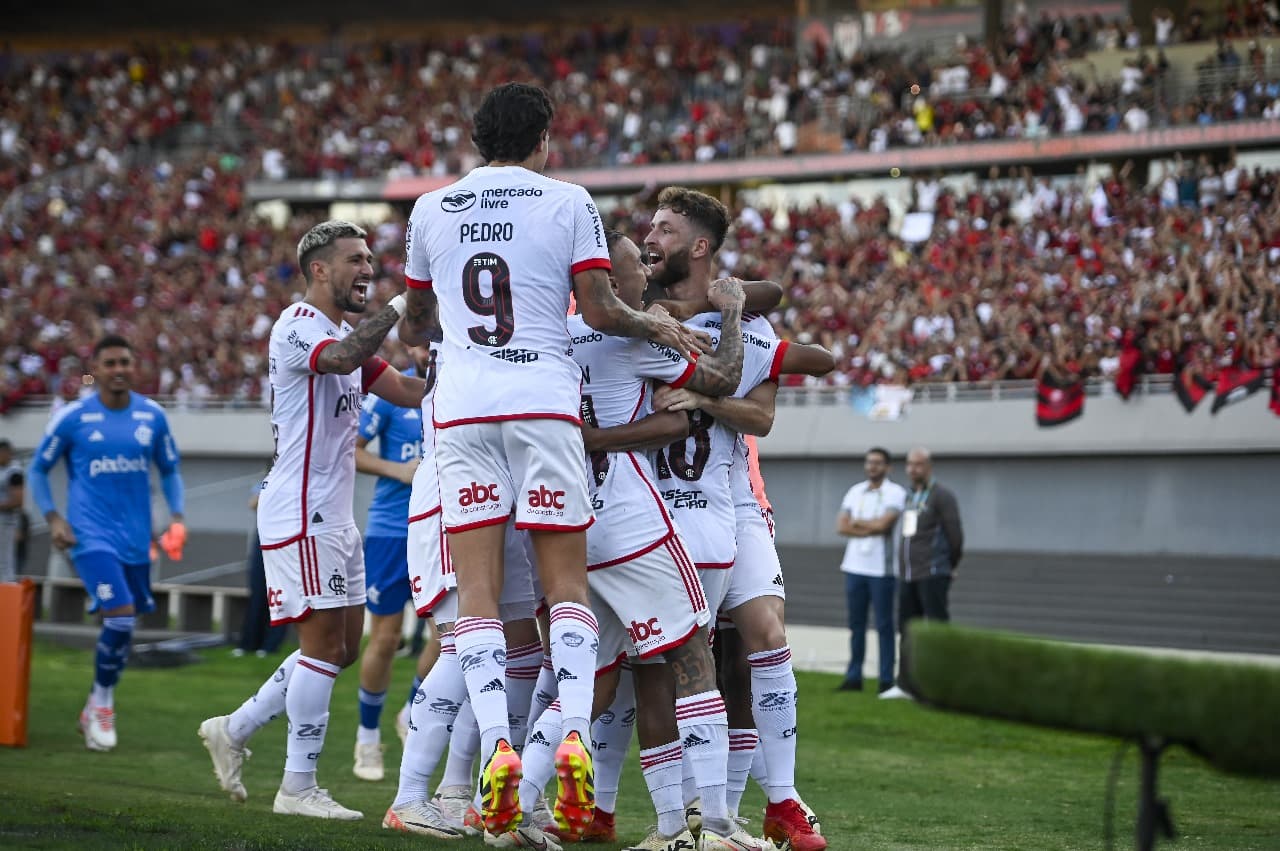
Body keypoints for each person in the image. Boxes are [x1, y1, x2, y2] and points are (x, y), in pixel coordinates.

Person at [398, 81, 700, 838]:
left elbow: (415, 317)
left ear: (475, 137)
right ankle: (571, 730)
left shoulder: (430, 208)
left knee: (479, 596)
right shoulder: (570, 201)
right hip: (542, 401)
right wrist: (655, 327)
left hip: (464, 408)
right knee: (565, 585)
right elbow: (599, 310)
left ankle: (498, 743)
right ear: (543, 137)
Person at [199, 220, 426, 820]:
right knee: (323, 647)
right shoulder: (300, 327)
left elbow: (404, 389)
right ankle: (297, 787)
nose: (367, 271)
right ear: (319, 269)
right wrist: (402, 302)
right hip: (302, 512)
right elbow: (347, 357)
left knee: (343, 648)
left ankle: (236, 728)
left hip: (334, 515)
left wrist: (471, 368)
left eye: (370, 261)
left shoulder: (343, 332)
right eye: (355, 260)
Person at [645, 187, 832, 851]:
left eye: (664, 227)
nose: (649, 236)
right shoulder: (634, 312)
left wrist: (703, 396)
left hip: (731, 499)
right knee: (655, 663)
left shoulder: (746, 320)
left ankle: (780, 800)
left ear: (699, 246)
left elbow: (762, 417)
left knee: (761, 630)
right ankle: (674, 813)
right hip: (651, 500)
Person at [27, 335, 186, 752]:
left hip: (136, 539)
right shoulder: (74, 417)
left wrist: (177, 515)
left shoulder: (152, 416)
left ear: (134, 368)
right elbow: (38, 470)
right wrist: (53, 517)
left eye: (125, 362)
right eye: (110, 362)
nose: (118, 369)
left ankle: (94, 703)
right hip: (88, 536)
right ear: (94, 369)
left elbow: (170, 469)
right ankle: (102, 706)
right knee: (119, 616)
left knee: (125, 624)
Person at [351, 343, 434, 782]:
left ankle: (411, 712)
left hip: (443, 529)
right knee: (383, 637)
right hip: (391, 530)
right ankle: (367, 738)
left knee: (449, 636)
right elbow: (354, 450)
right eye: (422, 342)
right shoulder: (390, 393)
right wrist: (399, 471)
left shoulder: (462, 387)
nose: (427, 350)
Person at [885, 446, 964, 700]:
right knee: (907, 629)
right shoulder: (909, 496)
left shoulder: (942, 496)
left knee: (936, 628)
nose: (912, 469)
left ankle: (943, 683)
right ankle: (906, 684)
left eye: (917, 465)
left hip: (932, 573)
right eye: (909, 464)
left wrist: (948, 566)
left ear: (929, 467)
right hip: (907, 575)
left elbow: (955, 537)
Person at [835, 448, 907, 694]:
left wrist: (858, 523)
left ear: (888, 467)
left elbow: (884, 526)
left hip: (882, 570)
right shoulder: (855, 491)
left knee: (885, 626)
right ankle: (854, 677)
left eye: (878, 463)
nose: (872, 467)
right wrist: (869, 526)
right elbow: (841, 526)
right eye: (869, 462)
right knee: (856, 625)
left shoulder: (895, 492)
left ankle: (886, 679)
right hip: (854, 567)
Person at [235, 474, 287, 657]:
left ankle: (270, 644)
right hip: (264, 537)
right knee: (257, 590)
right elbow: (254, 504)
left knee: (280, 593)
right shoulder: (271, 479)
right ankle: (248, 643)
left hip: (287, 538)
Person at [0, 439, 25, 582]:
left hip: (6, 523)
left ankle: (6, 597)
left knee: (4, 562)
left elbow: (17, 501)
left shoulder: (14, 472)